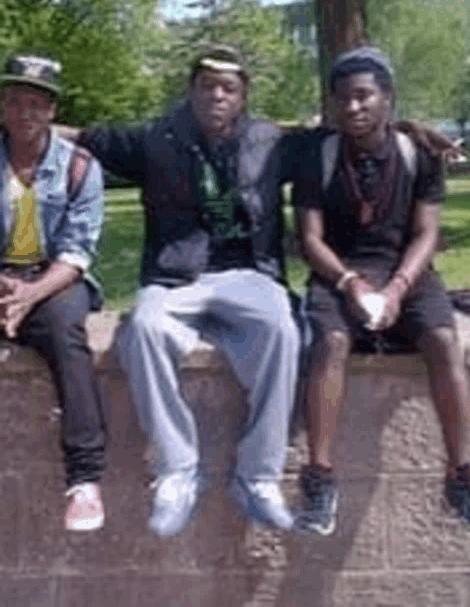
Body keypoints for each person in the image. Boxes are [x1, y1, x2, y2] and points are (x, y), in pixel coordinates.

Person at [76, 45, 304, 538]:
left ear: (243, 96)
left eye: (229, 88)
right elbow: (83, 136)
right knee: (144, 328)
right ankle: (177, 471)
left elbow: (341, 139)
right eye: (207, 86)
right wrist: (22, 124)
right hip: (176, 275)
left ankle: (258, 477)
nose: (217, 96)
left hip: (249, 272)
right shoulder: (155, 138)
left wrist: (411, 132)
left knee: (283, 330)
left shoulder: (270, 140)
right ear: (191, 89)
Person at [293, 47, 470, 537]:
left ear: (388, 99)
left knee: (444, 342)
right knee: (332, 343)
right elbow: (309, 238)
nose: (353, 108)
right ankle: (320, 480)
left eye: (365, 96)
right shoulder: (317, 156)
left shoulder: (419, 155)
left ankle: (462, 476)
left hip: (406, 269)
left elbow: (427, 233)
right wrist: (351, 284)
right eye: (343, 98)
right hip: (338, 270)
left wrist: (398, 288)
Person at [0, 55, 106, 531]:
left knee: (67, 332)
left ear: (51, 111)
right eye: (15, 101)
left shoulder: (80, 168)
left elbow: (79, 252)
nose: (25, 113)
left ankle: (85, 481)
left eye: (36, 104)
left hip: (53, 278)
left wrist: (28, 295)